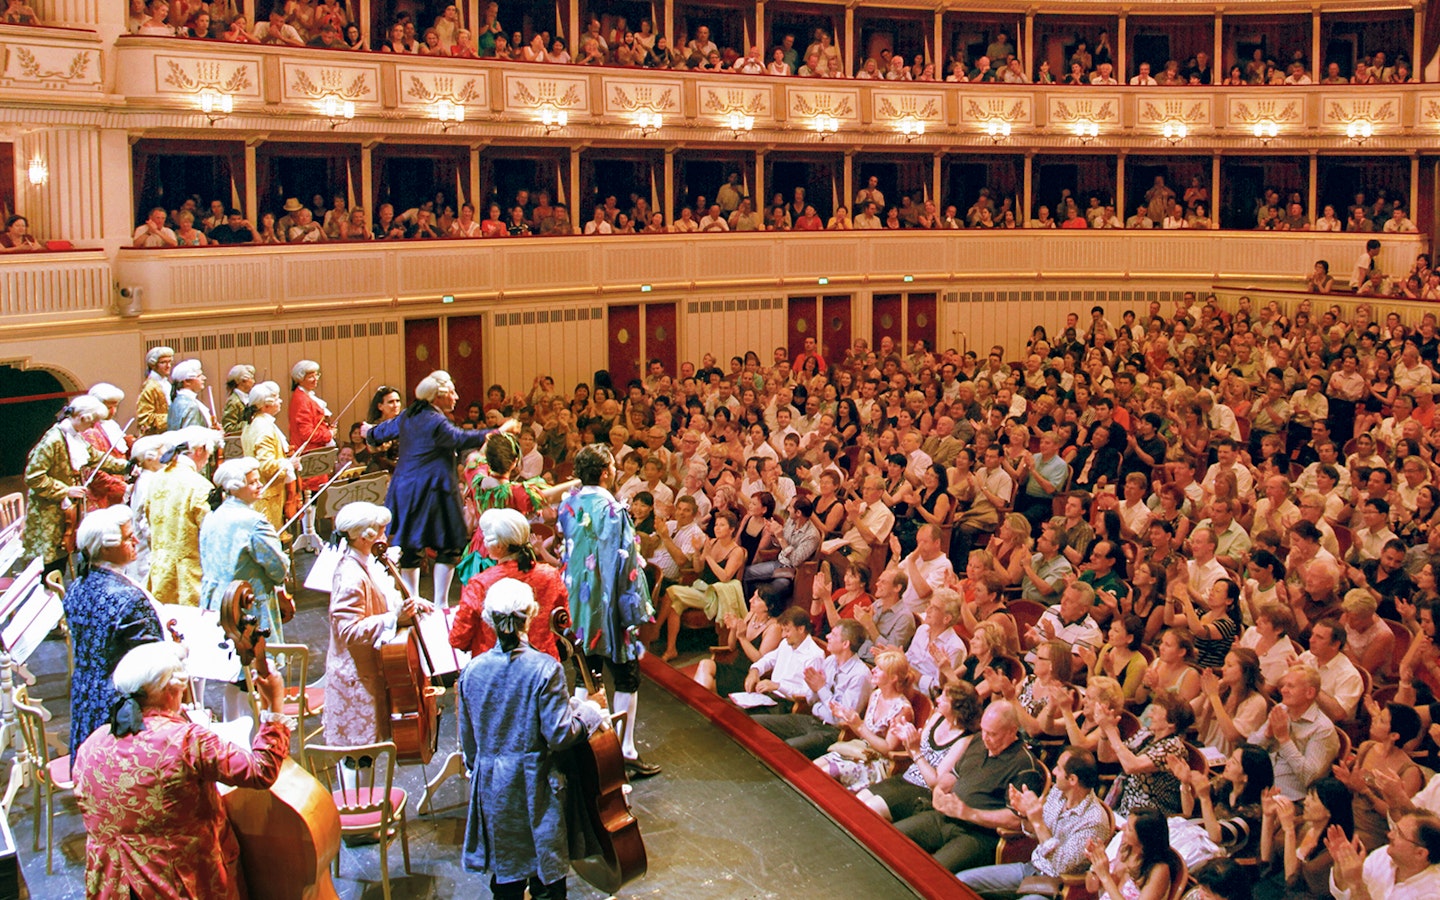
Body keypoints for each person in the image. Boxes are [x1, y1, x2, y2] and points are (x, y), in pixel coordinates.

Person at [72, 641, 290, 899]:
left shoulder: (91, 745)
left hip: (111, 885)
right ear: (172, 690)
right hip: (177, 883)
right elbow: (260, 770)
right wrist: (275, 704)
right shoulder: (186, 741)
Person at [457, 578, 607, 900]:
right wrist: (591, 713)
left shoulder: (471, 671)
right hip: (536, 783)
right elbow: (560, 733)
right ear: (531, 615)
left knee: (506, 877)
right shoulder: (545, 669)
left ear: (489, 619)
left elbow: (469, 746)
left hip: (493, 786)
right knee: (546, 878)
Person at [363, 370, 514, 606]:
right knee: (449, 545)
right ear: (438, 397)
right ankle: (441, 604)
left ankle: (412, 600)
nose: (455, 397)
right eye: (451, 392)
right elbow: (460, 438)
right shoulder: (435, 419)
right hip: (433, 489)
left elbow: (377, 433)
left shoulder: (410, 414)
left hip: (405, 488)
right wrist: (498, 431)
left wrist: (368, 432)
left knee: (411, 546)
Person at [556, 443, 660, 778]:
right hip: (610, 607)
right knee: (627, 676)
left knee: (585, 673)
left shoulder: (568, 503)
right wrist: (636, 610)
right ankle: (623, 752)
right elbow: (627, 565)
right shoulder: (614, 510)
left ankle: (584, 747)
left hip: (577, 607)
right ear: (605, 472)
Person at [325, 501, 432, 745]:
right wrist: (394, 617)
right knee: (359, 754)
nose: (385, 537)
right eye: (381, 532)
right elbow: (348, 631)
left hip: (371, 669)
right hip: (356, 676)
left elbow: (382, 598)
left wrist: (410, 602)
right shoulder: (351, 577)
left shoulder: (366, 562)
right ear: (365, 538)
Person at [892, 700, 1044, 872]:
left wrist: (970, 813)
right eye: (984, 730)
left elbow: (1016, 820)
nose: (985, 738)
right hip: (946, 817)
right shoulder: (979, 740)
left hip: (978, 835)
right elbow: (953, 775)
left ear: (1012, 731)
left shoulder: (1024, 765)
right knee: (892, 838)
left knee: (931, 873)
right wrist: (939, 792)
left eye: (993, 734)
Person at [62, 505, 164, 755]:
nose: (136, 541)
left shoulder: (77, 586)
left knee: (92, 764)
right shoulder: (129, 598)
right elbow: (152, 661)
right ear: (106, 548)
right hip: (119, 704)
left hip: (86, 692)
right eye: (129, 538)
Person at [958, 748, 1114, 896]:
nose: (1053, 771)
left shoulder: (1094, 821)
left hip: (1057, 886)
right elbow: (1035, 833)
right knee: (961, 881)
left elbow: (1060, 864)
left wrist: (1038, 821)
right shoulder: (1058, 792)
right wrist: (1026, 815)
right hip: (1031, 868)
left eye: (1059, 769)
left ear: (1072, 779)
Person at [199, 458, 289, 666]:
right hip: (248, 604)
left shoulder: (211, 517)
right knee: (257, 668)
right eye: (252, 482)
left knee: (231, 669)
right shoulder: (253, 522)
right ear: (236, 487)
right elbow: (277, 566)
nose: (259, 485)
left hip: (218, 602)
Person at [453, 508, 569, 660]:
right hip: (544, 663)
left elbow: (458, 637)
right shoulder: (550, 575)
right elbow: (564, 621)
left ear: (499, 547)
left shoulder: (481, 583)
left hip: (493, 668)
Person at [21, 394, 115, 575]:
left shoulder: (74, 437)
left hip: (66, 511)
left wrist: (126, 467)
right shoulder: (53, 440)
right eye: (91, 422)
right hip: (49, 513)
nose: (93, 427)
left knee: (62, 559)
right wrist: (65, 490)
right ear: (81, 417)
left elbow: (95, 457)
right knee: (51, 565)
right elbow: (33, 477)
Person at [144, 426, 219, 606]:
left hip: (159, 569)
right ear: (199, 450)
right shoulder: (199, 485)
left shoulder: (155, 478)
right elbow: (210, 533)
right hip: (189, 577)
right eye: (209, 452)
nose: (209, 458)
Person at [135, 345, 175, 437]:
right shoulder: (150, 387)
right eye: (163, 362)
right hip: (156, 437)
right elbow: (145, 418)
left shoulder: (166, 384)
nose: (168, 366)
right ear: (153, 365)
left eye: (169, 362)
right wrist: (173, 418)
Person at [220, 364, 255, 433]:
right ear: (243, 381)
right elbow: (228, 427)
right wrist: (250, 423)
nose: (253, 381)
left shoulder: (245, 399)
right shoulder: (234, 402)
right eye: (251, 378)